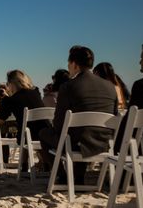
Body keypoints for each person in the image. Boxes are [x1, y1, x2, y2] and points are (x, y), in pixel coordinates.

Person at [38, 46, 118, 184]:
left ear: (74, 64)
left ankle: (62, 175)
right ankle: (79, 177)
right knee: (81, 132)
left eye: (69, 63)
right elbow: (115, 115)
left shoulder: (68, 87)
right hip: (103, 143)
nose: (68, 66)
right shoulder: (110, 86)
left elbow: (58, 124)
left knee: (44, 134)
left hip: (77, 144)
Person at [0, 70, 46, 166]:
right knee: (28, 129)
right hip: (45, 133)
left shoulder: (11, 100)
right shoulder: (36, 92)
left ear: (12, 84)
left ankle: (25, 166)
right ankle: (34, 164)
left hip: (26, 137)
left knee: (25, 132)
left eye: (8, 83)